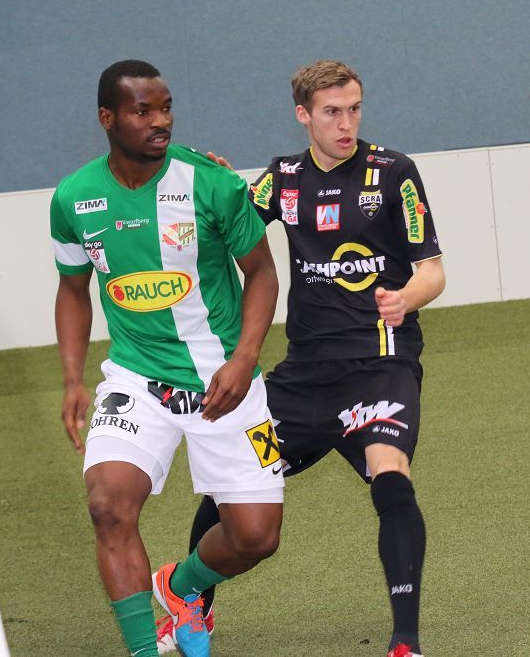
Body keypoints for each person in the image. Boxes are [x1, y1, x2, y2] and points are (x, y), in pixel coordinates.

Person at [174, 60, 445, 657]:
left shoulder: (394, 173)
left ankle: (405, 642)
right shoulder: (285, 178)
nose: (346, 124)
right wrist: (219, 186)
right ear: (304, 115)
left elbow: (432, 270)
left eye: (354, 109)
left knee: (391, 477)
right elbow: (230, 225)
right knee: (229, 488)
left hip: (378, 365)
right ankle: (190, 607)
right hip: (301, 378)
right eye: (331, 112)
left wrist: (406, 298)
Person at [51, 59, 283, 657]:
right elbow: (73, 291)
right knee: (107, 505)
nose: (161, 121)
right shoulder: (73, 198)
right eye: (143, 111)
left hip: (226, 383)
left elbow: (261, 273)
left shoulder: (214, 184)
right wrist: (73, 379)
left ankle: (179, 586)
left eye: (166, 108)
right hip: (135, 381)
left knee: (257, 538)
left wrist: (244, 358)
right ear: (107, 118)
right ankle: (143, 650)